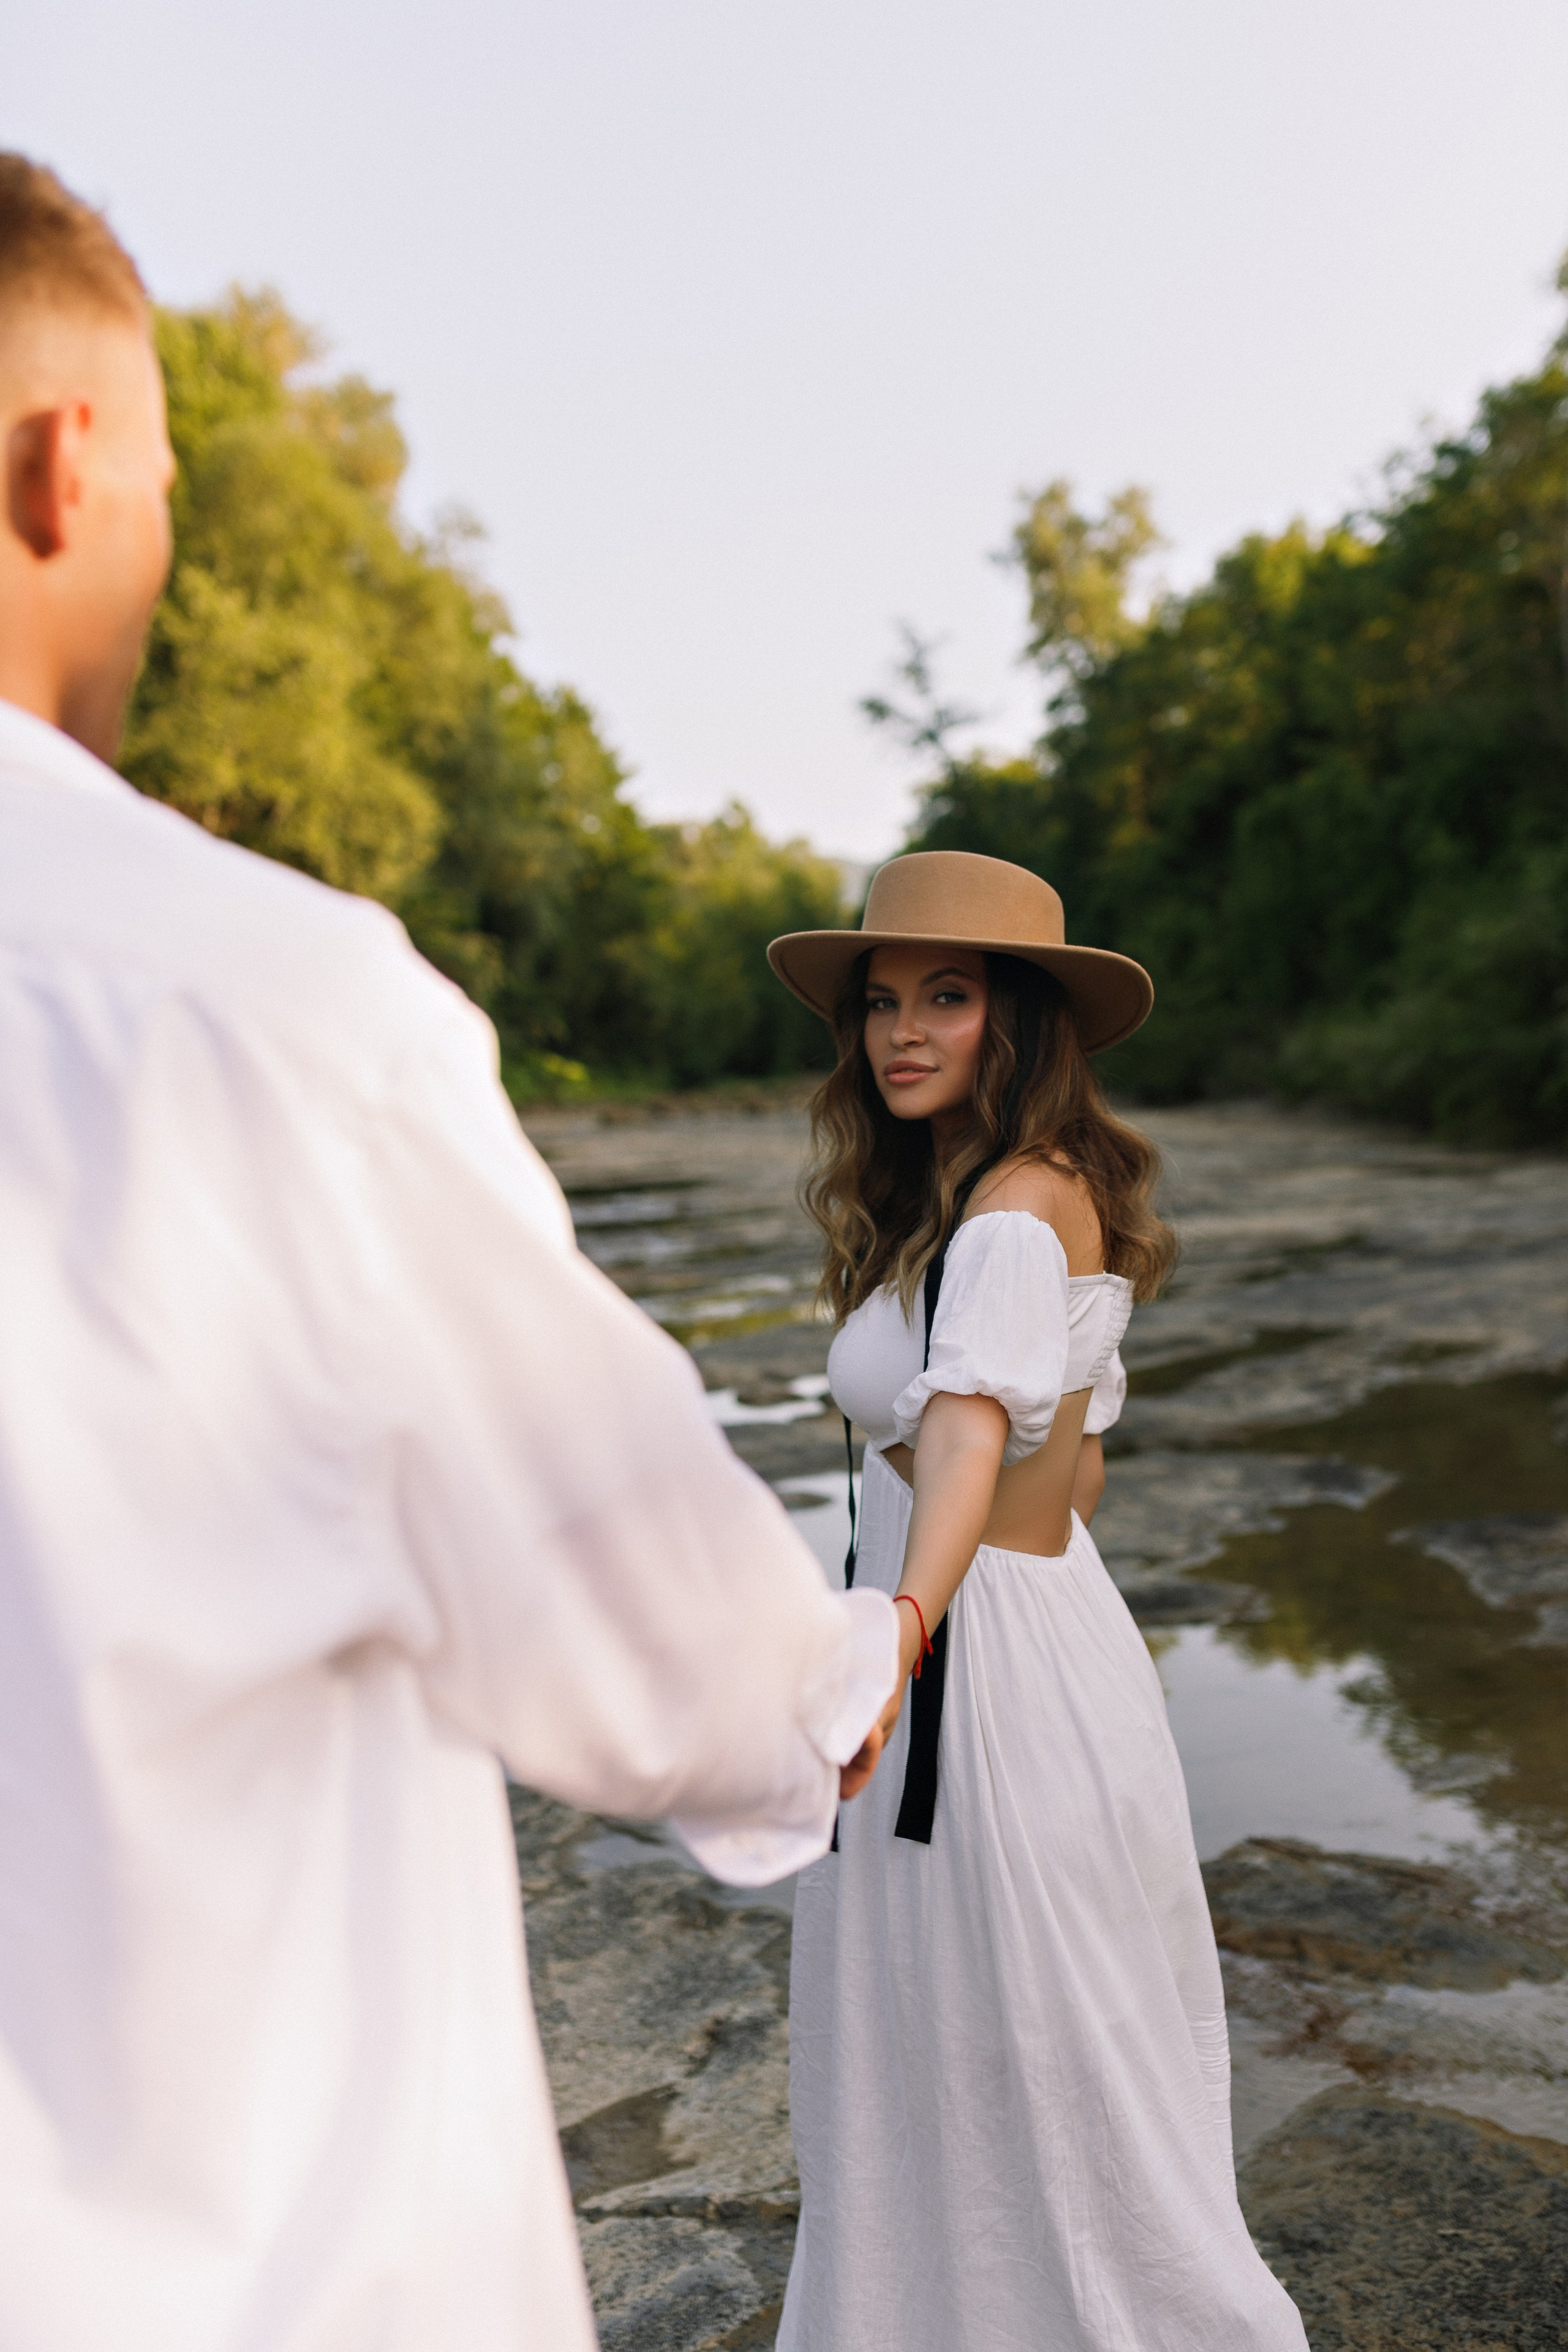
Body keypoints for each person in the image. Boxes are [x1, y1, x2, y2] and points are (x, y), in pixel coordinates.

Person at [0, 156, 898, 2351]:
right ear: (61, 463)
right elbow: (687, 1660)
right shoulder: (251, 1014)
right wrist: (859, 1674)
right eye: (175, 487)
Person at [766, 851, 1309, 2351]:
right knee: (1012, 2033)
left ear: (1022, 1021)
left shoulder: (1006, 1215)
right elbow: (1069, 1487)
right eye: (882, 1001)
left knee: (1004, 2033)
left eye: (948, 997)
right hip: (1035, 1635)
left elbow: (963, 1444)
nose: (902, 1031)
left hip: (972, 1668)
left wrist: (897, 1629)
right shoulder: (1016, 1195)